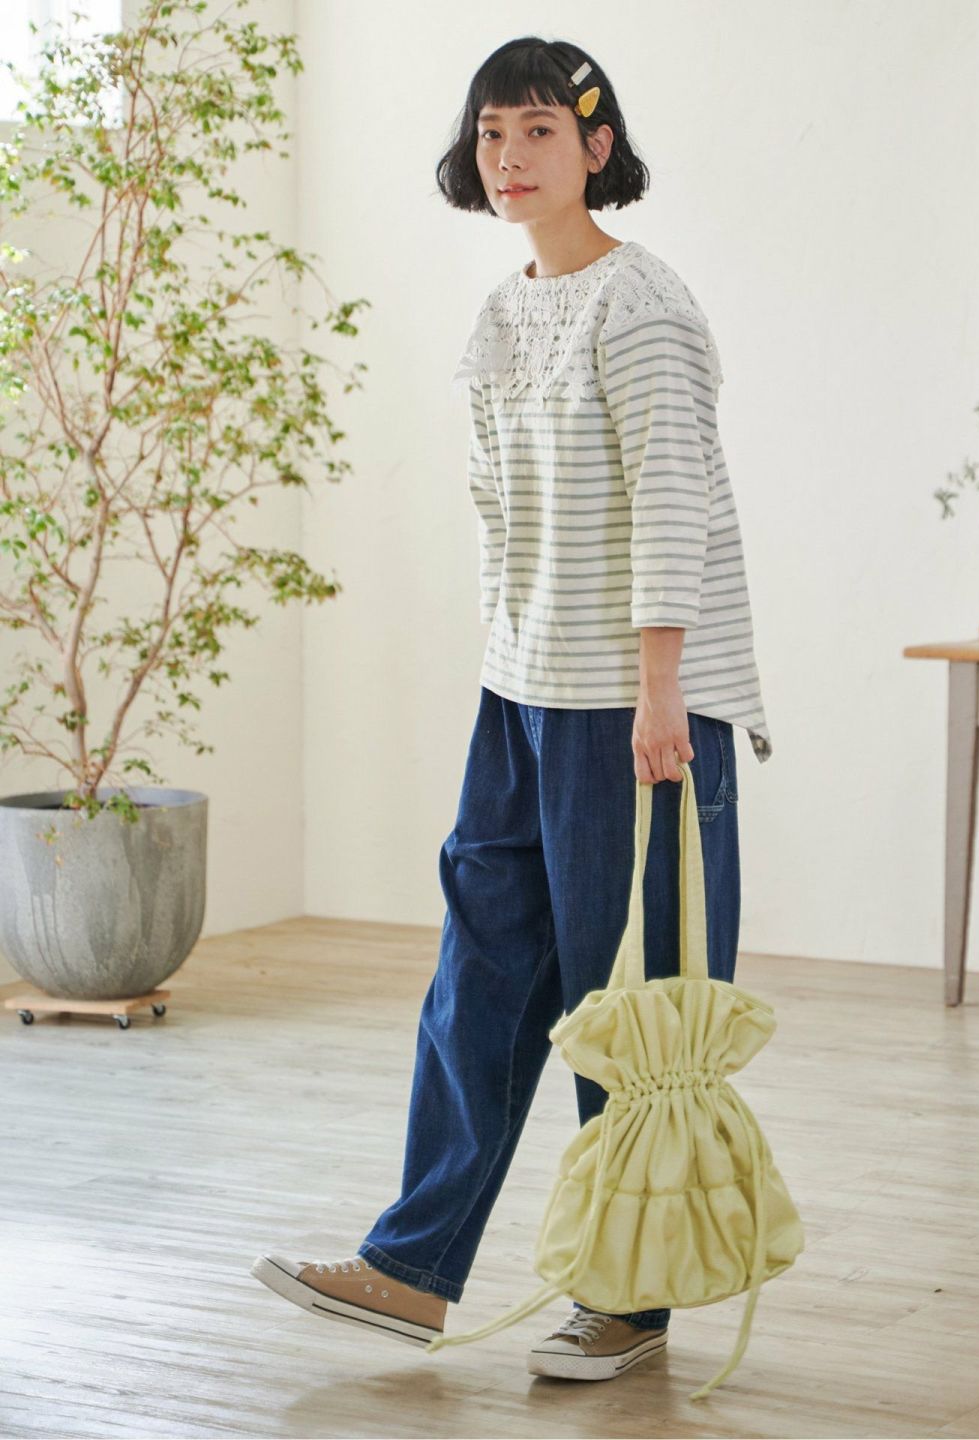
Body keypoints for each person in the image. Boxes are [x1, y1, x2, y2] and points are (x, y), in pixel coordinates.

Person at [251, 34, 772, 1384]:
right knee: (476, 979)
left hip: (634, 705)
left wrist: (661, 687)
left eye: (538, 130)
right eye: (491, 133)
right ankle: (412, 1268)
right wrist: (504, 673)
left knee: (626, 1002)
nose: (509, 157)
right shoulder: (500, 314)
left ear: (596, 147)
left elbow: (672, 503)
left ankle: (631, 1301)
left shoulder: (642, 307)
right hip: (526, 694)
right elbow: (499, 514)